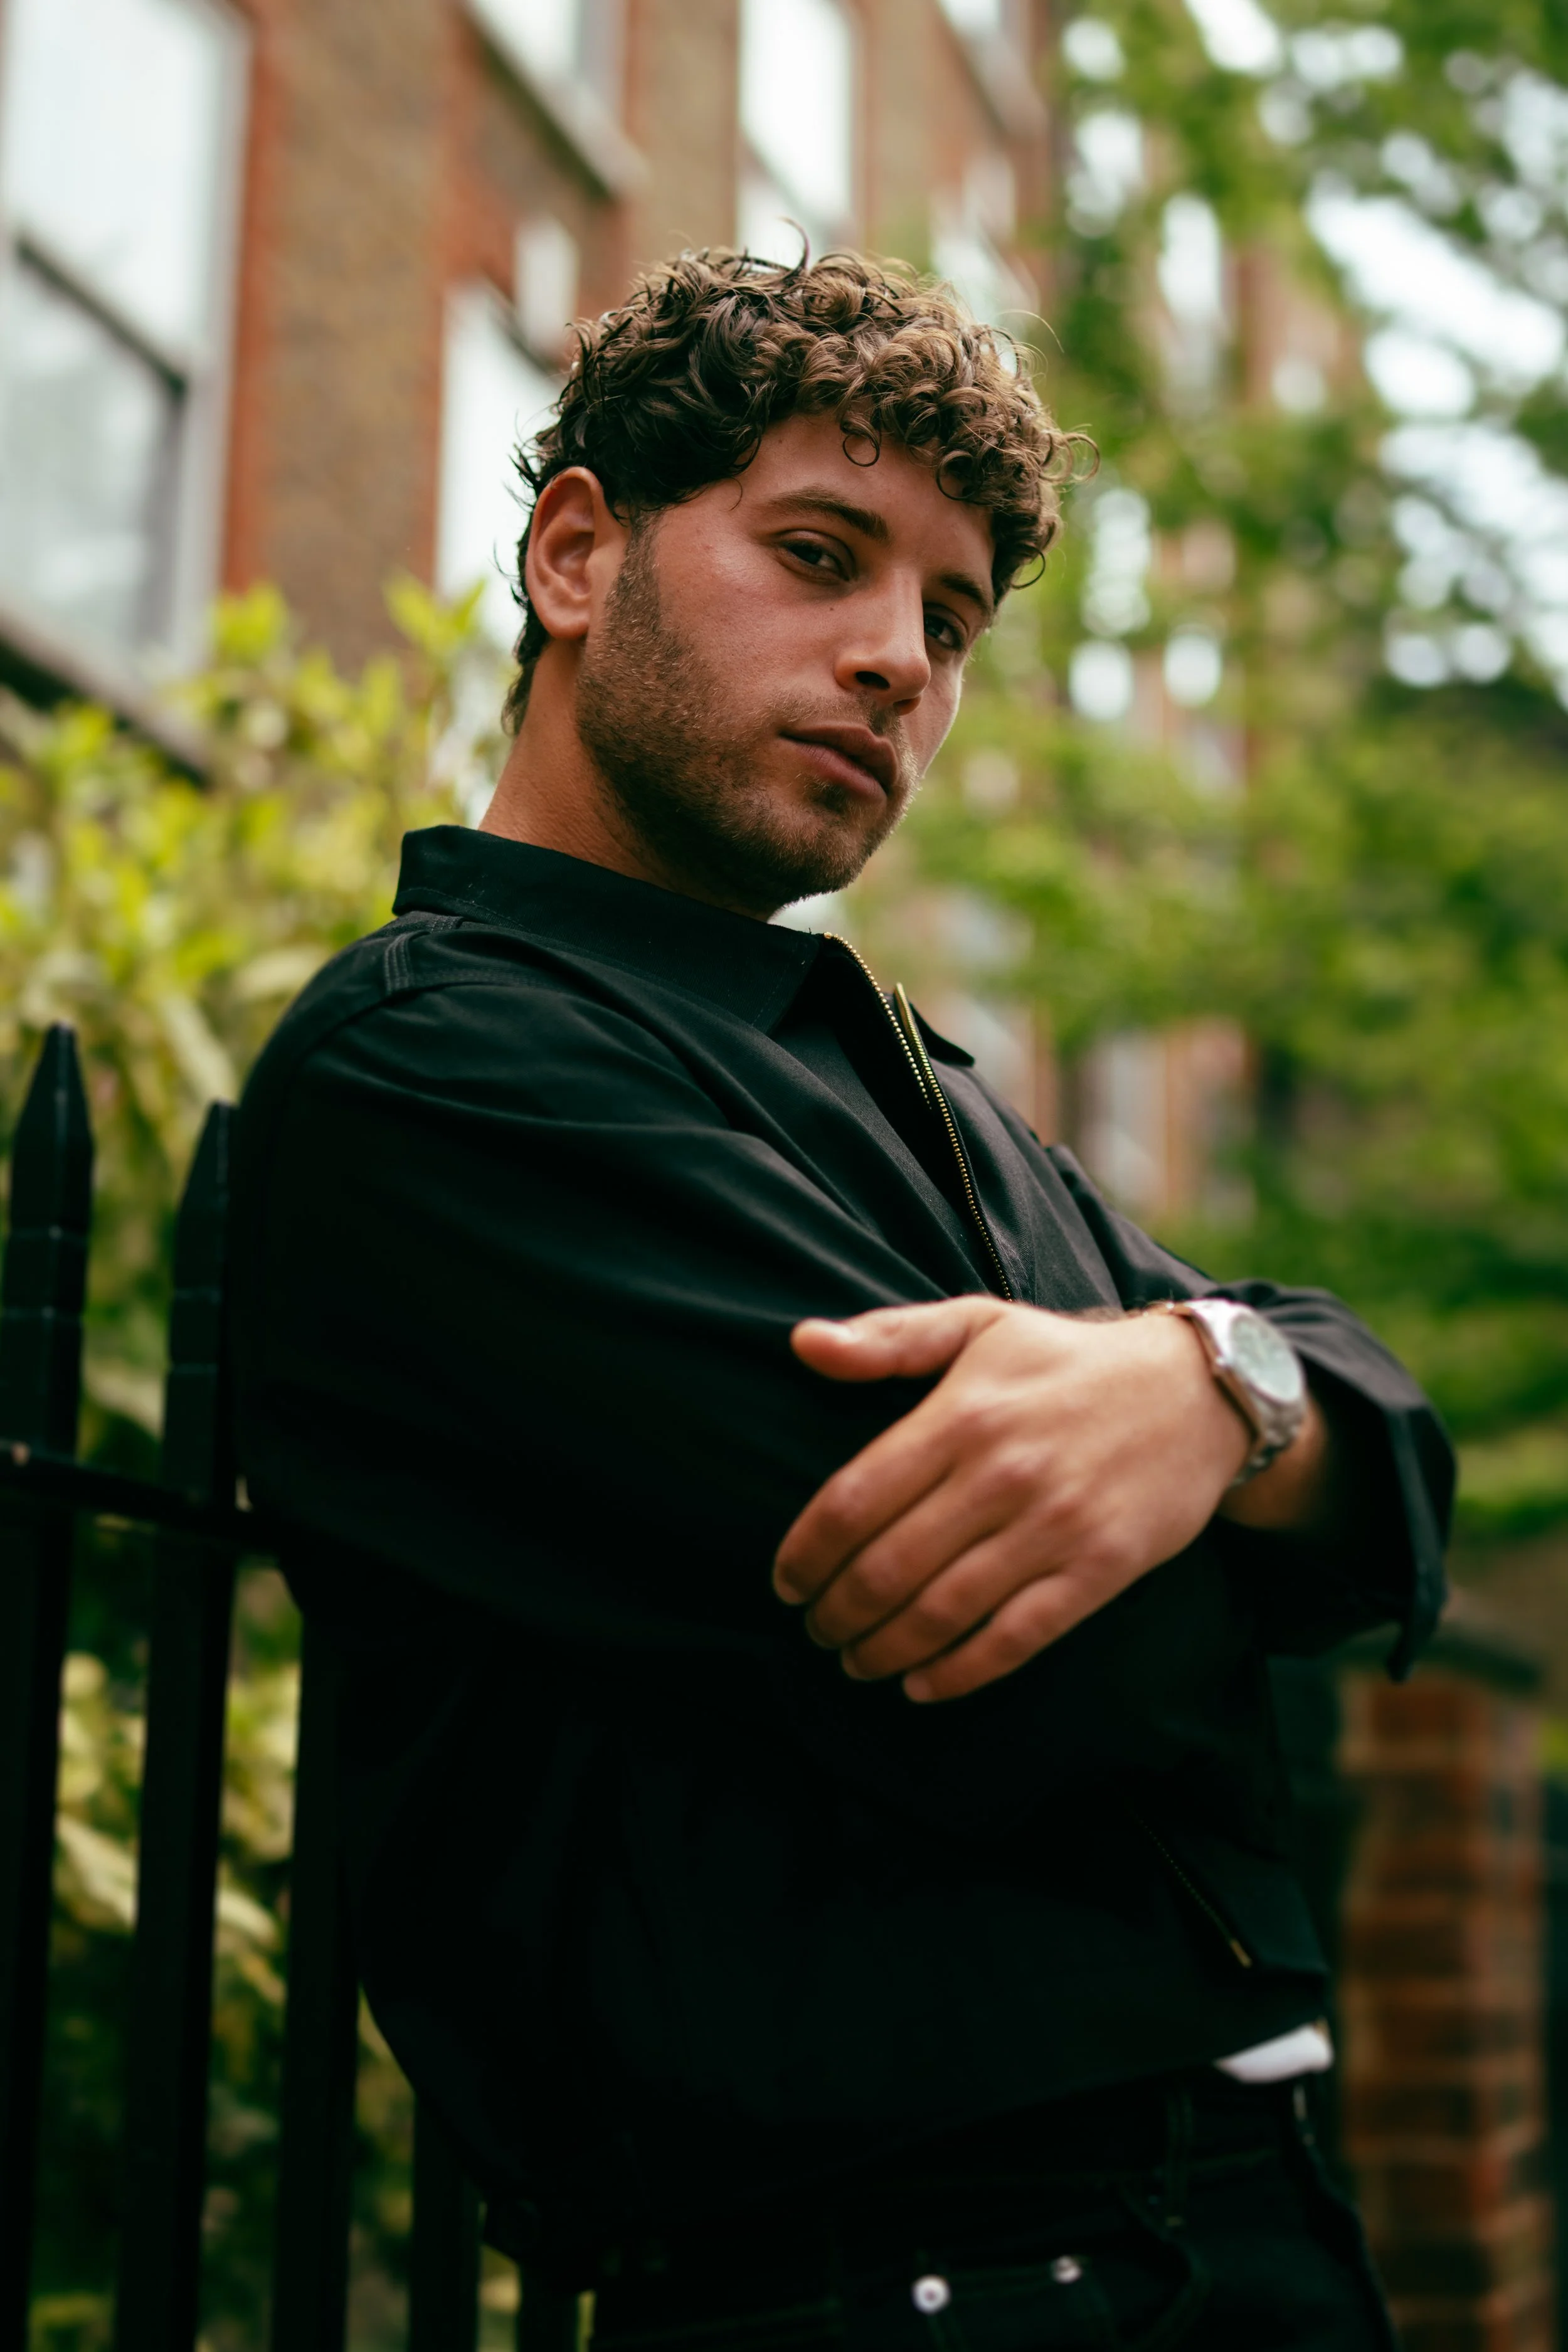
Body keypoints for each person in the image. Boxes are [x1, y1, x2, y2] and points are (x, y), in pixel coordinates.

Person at [231, 250, 1452, 2349]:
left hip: (1256, 2244)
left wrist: (1211, 1383)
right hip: (885, 2280)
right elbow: (1063, 1662)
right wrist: (1234, 1471)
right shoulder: (432, 1064)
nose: (896, 660)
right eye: (820, 554)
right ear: (576, 553)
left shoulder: (929, 1093)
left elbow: (1385, 1461)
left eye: (951, 620)